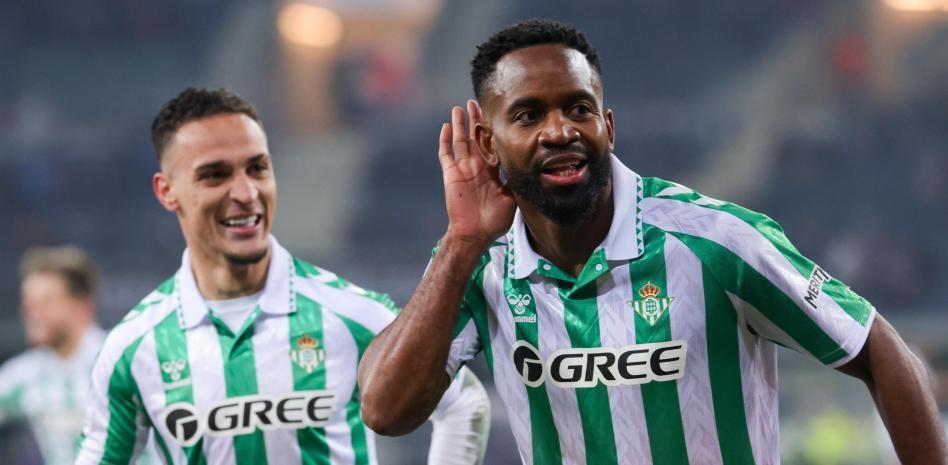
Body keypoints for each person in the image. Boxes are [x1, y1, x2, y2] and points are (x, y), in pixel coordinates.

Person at [357, 19, 948, 465]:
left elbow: (878, 348)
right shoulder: (477, 262)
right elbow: (385, 410)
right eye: (528, 115)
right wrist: (461, 241)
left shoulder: (716, 241)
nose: (559, 130)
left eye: (578, 108)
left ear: (607, 127)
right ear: (488, 144)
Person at [75, 88, 490, 465]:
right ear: (167, 191)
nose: (246, 193)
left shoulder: (352, 314)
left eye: (257, 168)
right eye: (215, 174)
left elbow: (464, 402)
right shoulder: (133, 347)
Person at [0, 246, 157, 465]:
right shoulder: (27, 374)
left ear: (83, 305)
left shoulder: (124, 360)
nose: (32, 311)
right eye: (28, 302)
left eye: (46, 300)